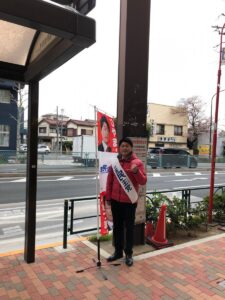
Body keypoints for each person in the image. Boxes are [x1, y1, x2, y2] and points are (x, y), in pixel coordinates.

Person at [105, 137, 147, 266]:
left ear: (131, 148)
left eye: (127, 146)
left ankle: (128, 254)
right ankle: (118, 252)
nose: (124, 148)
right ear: (119, 148)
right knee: (117, 227)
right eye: (122, 146)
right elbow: (109, 181)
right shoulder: (115, 163)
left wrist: (136, 172)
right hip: (116, 201)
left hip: (129, 202)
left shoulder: (137, 163)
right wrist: (108, 198)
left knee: (129, 228)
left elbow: (143, 181)